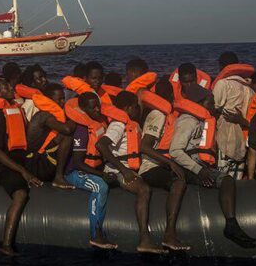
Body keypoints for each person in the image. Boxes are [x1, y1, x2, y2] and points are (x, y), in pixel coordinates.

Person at [168, 84, 256, 248]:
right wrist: (199, 170)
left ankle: (231, 223)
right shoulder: (188, 121)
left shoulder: (200, 120)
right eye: (211, 101)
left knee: (227, 179)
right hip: (187, 169)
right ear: (201, 102)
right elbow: (175, 150)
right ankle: (230, 224)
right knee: (226, 180)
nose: (213, 105)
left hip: (197, 166)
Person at [97, 91, 165, 254]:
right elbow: (101, 145)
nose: (138, 109)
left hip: (129, 167)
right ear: (128, 108)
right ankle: (144, 240)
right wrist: (124, 170)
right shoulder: (118, 125)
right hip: (117, 170)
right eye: (136, 107)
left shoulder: (132, 123)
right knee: (144, 190)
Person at [0, 78, 41, 255]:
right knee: (21, 194)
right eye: (6, 87)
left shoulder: (16, 109)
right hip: (3, 165)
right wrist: (23, 172)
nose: (11, 88)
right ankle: (6, 244)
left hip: (21, 159)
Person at [136, 80, 190, 251]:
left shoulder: (169, 116)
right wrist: (170, 163)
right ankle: (169, 234)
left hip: (163, 164)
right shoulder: (158, 115)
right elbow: (144, 146)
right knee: (178, 181)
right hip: (150, 167)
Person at [62, 91, 116, 249]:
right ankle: (96, 235)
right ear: (83, 109)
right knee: (101, 186)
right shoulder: (81, 129)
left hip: (94, 167)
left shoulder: (99, 123)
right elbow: (78, 163)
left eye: (98, 107)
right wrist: (102, 175)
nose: (97, 111)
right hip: (73, 172)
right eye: (93, 109)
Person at [211, 52, 255, 178]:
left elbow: (213, 109)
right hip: (243, 140)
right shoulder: (249, 89)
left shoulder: (223, 84)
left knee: (221, 177)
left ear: (221, 67)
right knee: (237, 178)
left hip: (225, 137)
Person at [24, 83, 76, 189]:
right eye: (60, 99)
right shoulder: (45, 116)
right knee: (67, 137)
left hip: (37, 160)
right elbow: (67, 129)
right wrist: (74, 117)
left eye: (64, 98)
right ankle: (58, 178)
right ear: (49, 100)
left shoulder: (47, 114)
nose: (63, 102)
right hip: (35, 165)